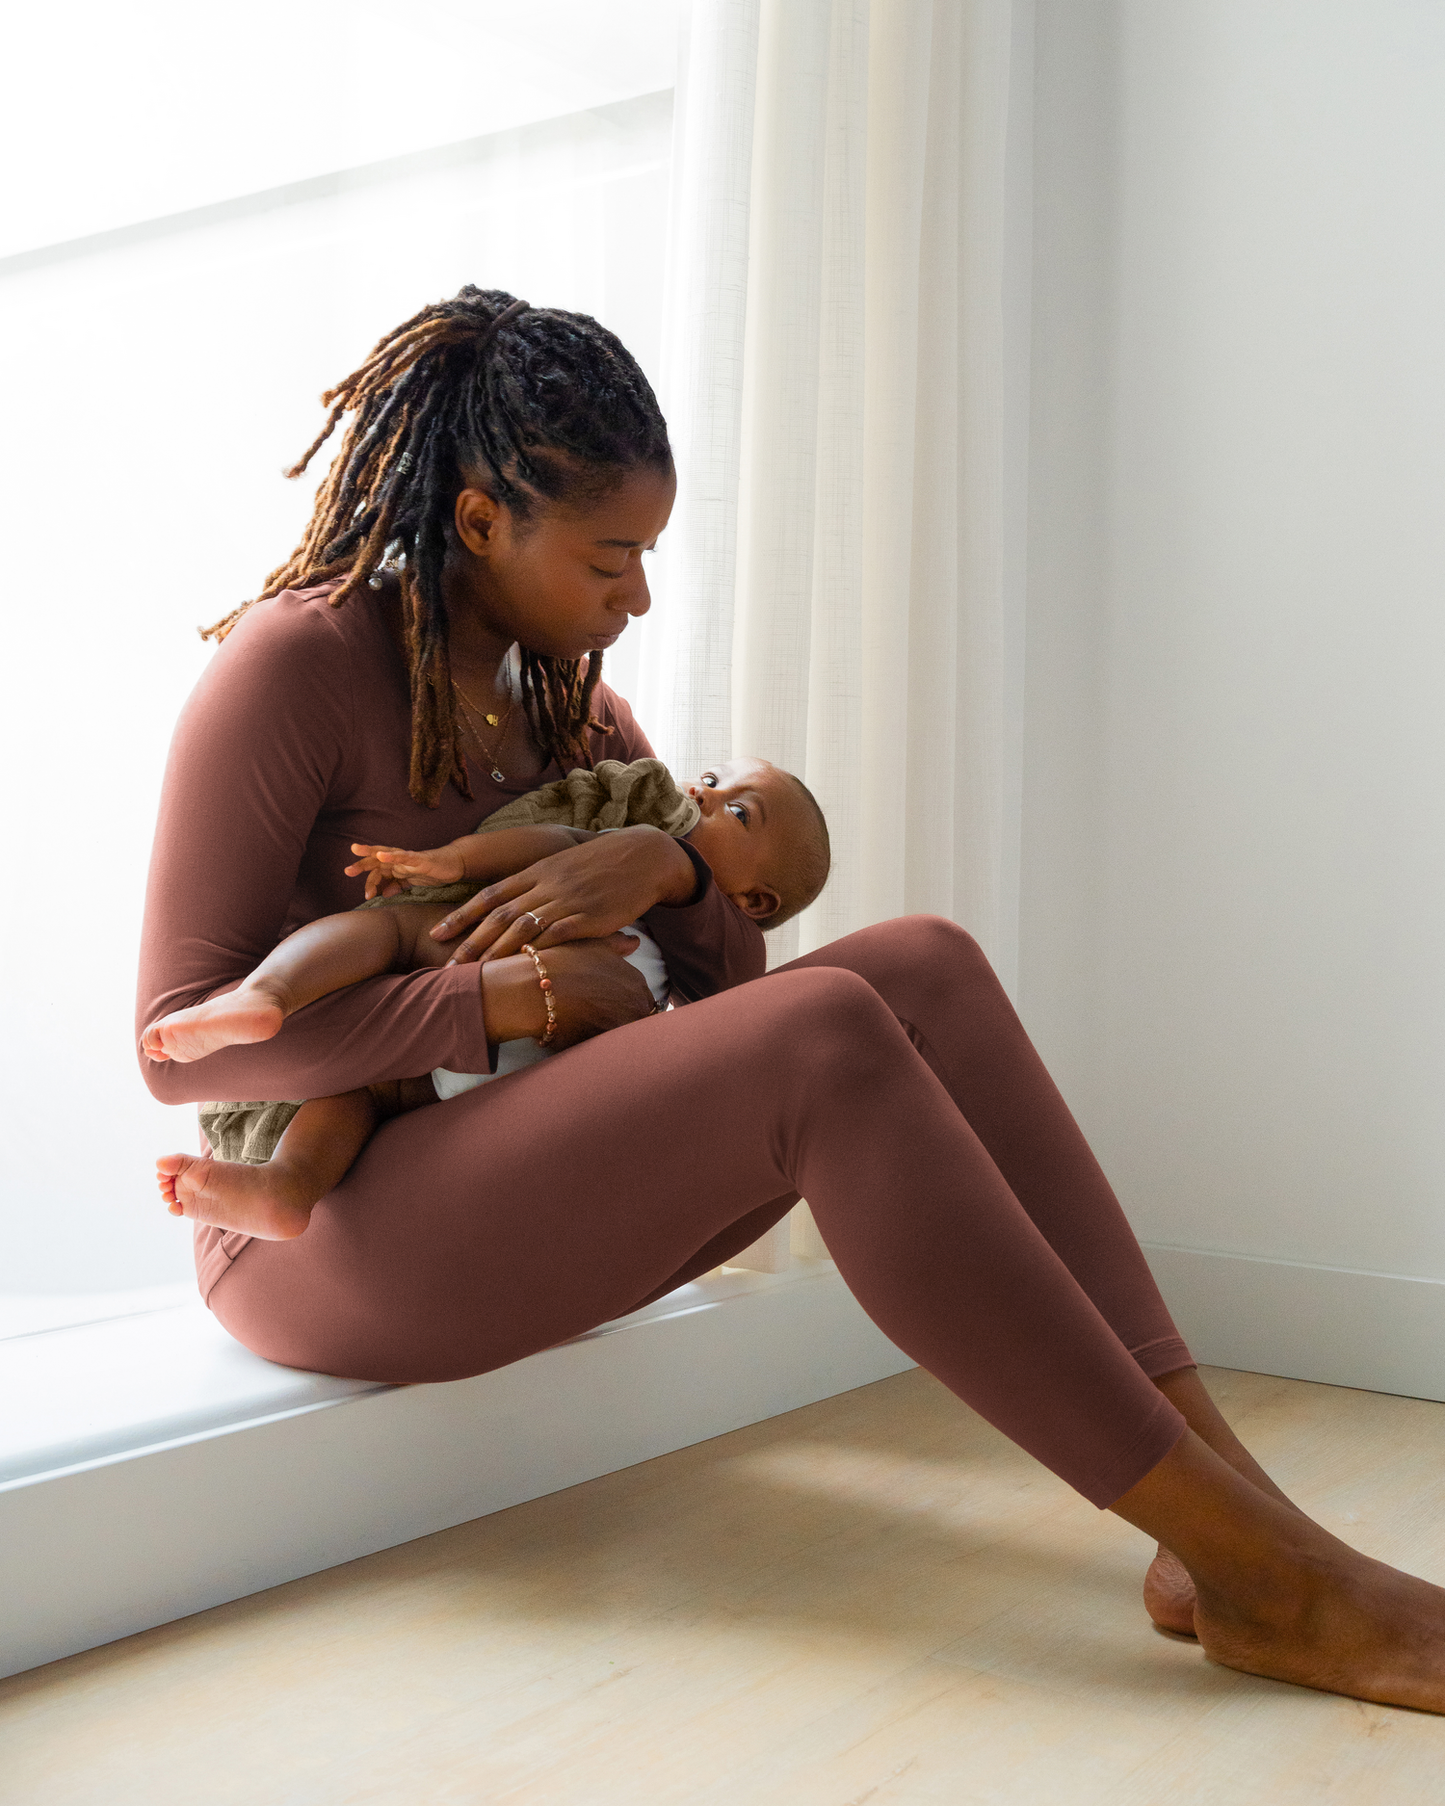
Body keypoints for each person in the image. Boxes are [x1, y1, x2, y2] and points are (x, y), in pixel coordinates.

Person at [135, 285, 1445, 1714]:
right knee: (824, 1038)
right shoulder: (298, 666)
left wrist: (671, 857)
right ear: (478, 524)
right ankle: (1272, 1578)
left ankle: (1235, 1532)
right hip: (321, 1219)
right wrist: (503, 994)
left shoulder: (573, 699)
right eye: (611, 556)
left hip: (505, 1177)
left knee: (922, 963)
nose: (636, 597)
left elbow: (720, 998)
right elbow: (176, 1052)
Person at [143, 755, 829, 1241]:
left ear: (753, 900)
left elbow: (734, 1005)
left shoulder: (705, 942)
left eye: (737, 809)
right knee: (366, 1091)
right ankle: (286, 1177)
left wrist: (670, 869)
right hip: (475, 1059)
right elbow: (549, 842)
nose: (701, 793)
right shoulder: (624, 855)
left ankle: (272, 992)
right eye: (710, 778)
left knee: (387, 931)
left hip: (541, 1092)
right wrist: (455, 861)